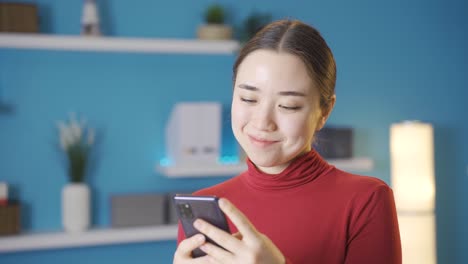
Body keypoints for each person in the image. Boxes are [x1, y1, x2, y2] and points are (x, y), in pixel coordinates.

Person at [173, 19, 402, 264]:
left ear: (324, 111)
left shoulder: (366, 200)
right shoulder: (207, 210)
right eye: (249, 99)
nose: (263, 123)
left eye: (288, 106)